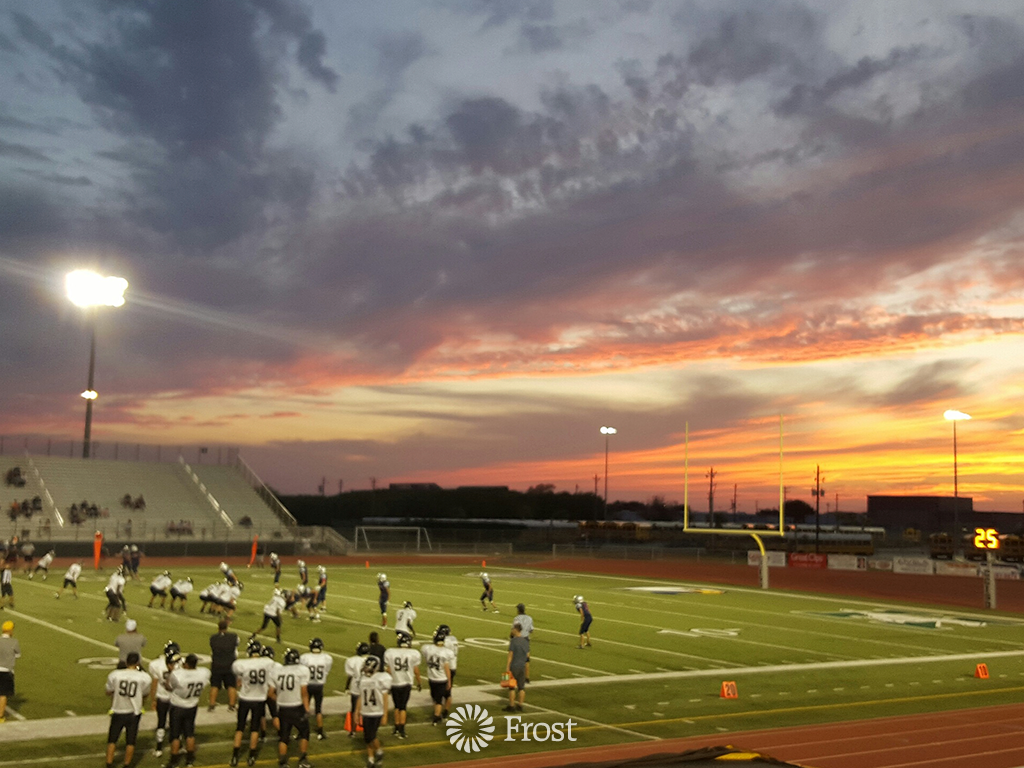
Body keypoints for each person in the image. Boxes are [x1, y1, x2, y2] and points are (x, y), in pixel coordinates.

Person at [230, 637, 275, 767]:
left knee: (240, 728)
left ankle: (235, 756)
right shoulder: (267, 662)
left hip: (245, 698)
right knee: (255, 729)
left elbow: (237, 678)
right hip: (259, 699)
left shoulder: (241, 664)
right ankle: (251, 757)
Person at [105, 651, 152, 768]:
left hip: (118, 710)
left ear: (126, 662)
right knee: (130, 741)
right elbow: (145, 694)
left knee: (112, 739)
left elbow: (108, 691)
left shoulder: (115, 674)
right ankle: (127, 765)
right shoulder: (144, 677)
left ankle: (109, 764)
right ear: (138, 663)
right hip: (134, 712)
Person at [165, 653, 211, 768]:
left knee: (175, 735)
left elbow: (169, 687)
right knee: (189, 733)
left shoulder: (178, 674)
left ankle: (174, 761)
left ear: (186, 664)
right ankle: (190, 760)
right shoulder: (204, 673)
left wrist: (171, 672)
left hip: (177, 706)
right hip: (192, 706)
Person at [272, 648, 313, 768]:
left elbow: (270, 693)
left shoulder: (277, 671)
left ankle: (283, 762)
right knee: (304, 733)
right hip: (297, 707)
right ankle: (303, 761)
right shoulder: (302, 670)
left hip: (283, 708)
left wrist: (280, 699)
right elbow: (304, 692)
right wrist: (307, 708)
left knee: (284, 736)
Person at [355, 656, 392, 768]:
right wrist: (357, 711)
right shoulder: (363, 679)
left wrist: (385, 714)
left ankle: (379, 751)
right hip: (366, 711)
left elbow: (385, 698)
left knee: (371, 735)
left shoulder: (381, 678)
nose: (365, 668)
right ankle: (371, 760)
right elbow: (361, 696)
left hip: (377, 711)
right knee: (367, 737)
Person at [383, 632, 421, 739]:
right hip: (406, 683)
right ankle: (402, 730)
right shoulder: (413, 653)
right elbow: (416, 670)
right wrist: (419, 682)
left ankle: (396, 728)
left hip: (395, 682)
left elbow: (388, 670)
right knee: (403, 707)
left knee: (397, 706)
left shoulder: (390, 652)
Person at [149, 641, 179, 758]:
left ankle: (159, 748)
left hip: (162, 697)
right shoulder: (181, 664)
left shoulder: (156, 664)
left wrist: (153, 699)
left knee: (161, 723)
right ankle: (178, 746)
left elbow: (154, 682)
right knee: (175, 723)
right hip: (175, 698)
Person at [300, 637, 333, 741]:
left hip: (308, 684)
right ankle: (320, 732)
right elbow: (326, 671)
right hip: (319, 685)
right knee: (318, 709)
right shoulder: (327, 658)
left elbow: (301, 670)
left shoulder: (305, 657)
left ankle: (302, 731)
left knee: (305, 709)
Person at [421, 627, 454, 726]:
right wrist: (449, 681)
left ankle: (436, 717)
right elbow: (446, 668)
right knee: (438, 699)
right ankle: (437, 716)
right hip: (441, 678)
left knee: (436, 699)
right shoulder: (446, 652)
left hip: (432, 678)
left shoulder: (427, 649)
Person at [209, 619, 239, 712]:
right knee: (231, 685)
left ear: (218, 627)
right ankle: (232, 705)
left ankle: (211, 705)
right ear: (227, 627)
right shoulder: (233, 636)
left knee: (215, 685)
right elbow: (236, 645)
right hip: (230, 665)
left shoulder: (213, 638)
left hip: (217, 664)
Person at [344, 642, 370, 738]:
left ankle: (353, 731)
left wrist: (346, 687)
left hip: (356, 687)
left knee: (354, 709)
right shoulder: (373, 660)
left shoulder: (352, 660)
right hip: (369, 687)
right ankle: (368, 730)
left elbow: (350, 675)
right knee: (368, 709)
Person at [504, 623, 529, 712]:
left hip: (514, 666)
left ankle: (511, 706)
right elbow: (527, 656)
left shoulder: (514, 641)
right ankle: (520, 705)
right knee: (521, 687)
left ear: (516, 630)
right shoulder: (525, 641)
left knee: (511, 687)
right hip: (522, 666)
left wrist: (507, 667)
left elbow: (510, 655)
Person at [0, 620, 19, 723]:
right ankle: (0, 716)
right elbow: (18, 655)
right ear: (10, 630)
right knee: (3, 694)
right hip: (6, 671)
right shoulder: (14, 642)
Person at [441, 624, 459, 717]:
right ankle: (446, 710)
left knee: (443, 690)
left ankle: (442, 711)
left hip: (447, 667)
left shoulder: (446, 641)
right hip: (453, 666)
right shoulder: (454, 639)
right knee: (448, 690)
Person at [515, 603, 534, 681]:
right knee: (526, 660)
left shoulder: (517, 618)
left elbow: (514, 629)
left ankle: (517, 677)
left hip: (518, 639)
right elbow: (531, 630)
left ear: (518, 610)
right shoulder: (529, 618)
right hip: (526, 639)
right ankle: (527, 677)